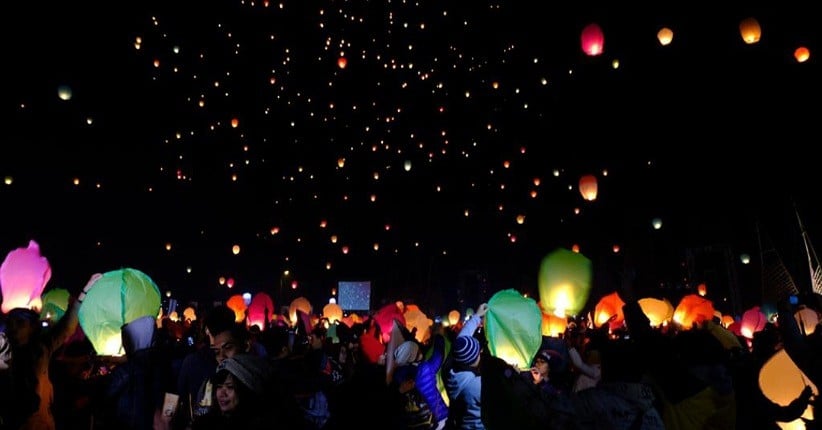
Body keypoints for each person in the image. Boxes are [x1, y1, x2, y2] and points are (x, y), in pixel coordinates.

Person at [3, 273, 101, 430]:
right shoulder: (4, 355)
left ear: (32, 327)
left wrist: (82, 296)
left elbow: (65, 329)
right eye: (10, 323)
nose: (13, 328)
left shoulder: (41, 349)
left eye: (20, 323)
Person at [445, 303, 487, 430]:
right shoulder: (476, 385)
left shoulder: (453, 371)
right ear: (474, 358)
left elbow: (462, 338)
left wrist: (477, 316)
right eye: (478, 352)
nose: (480, 352)